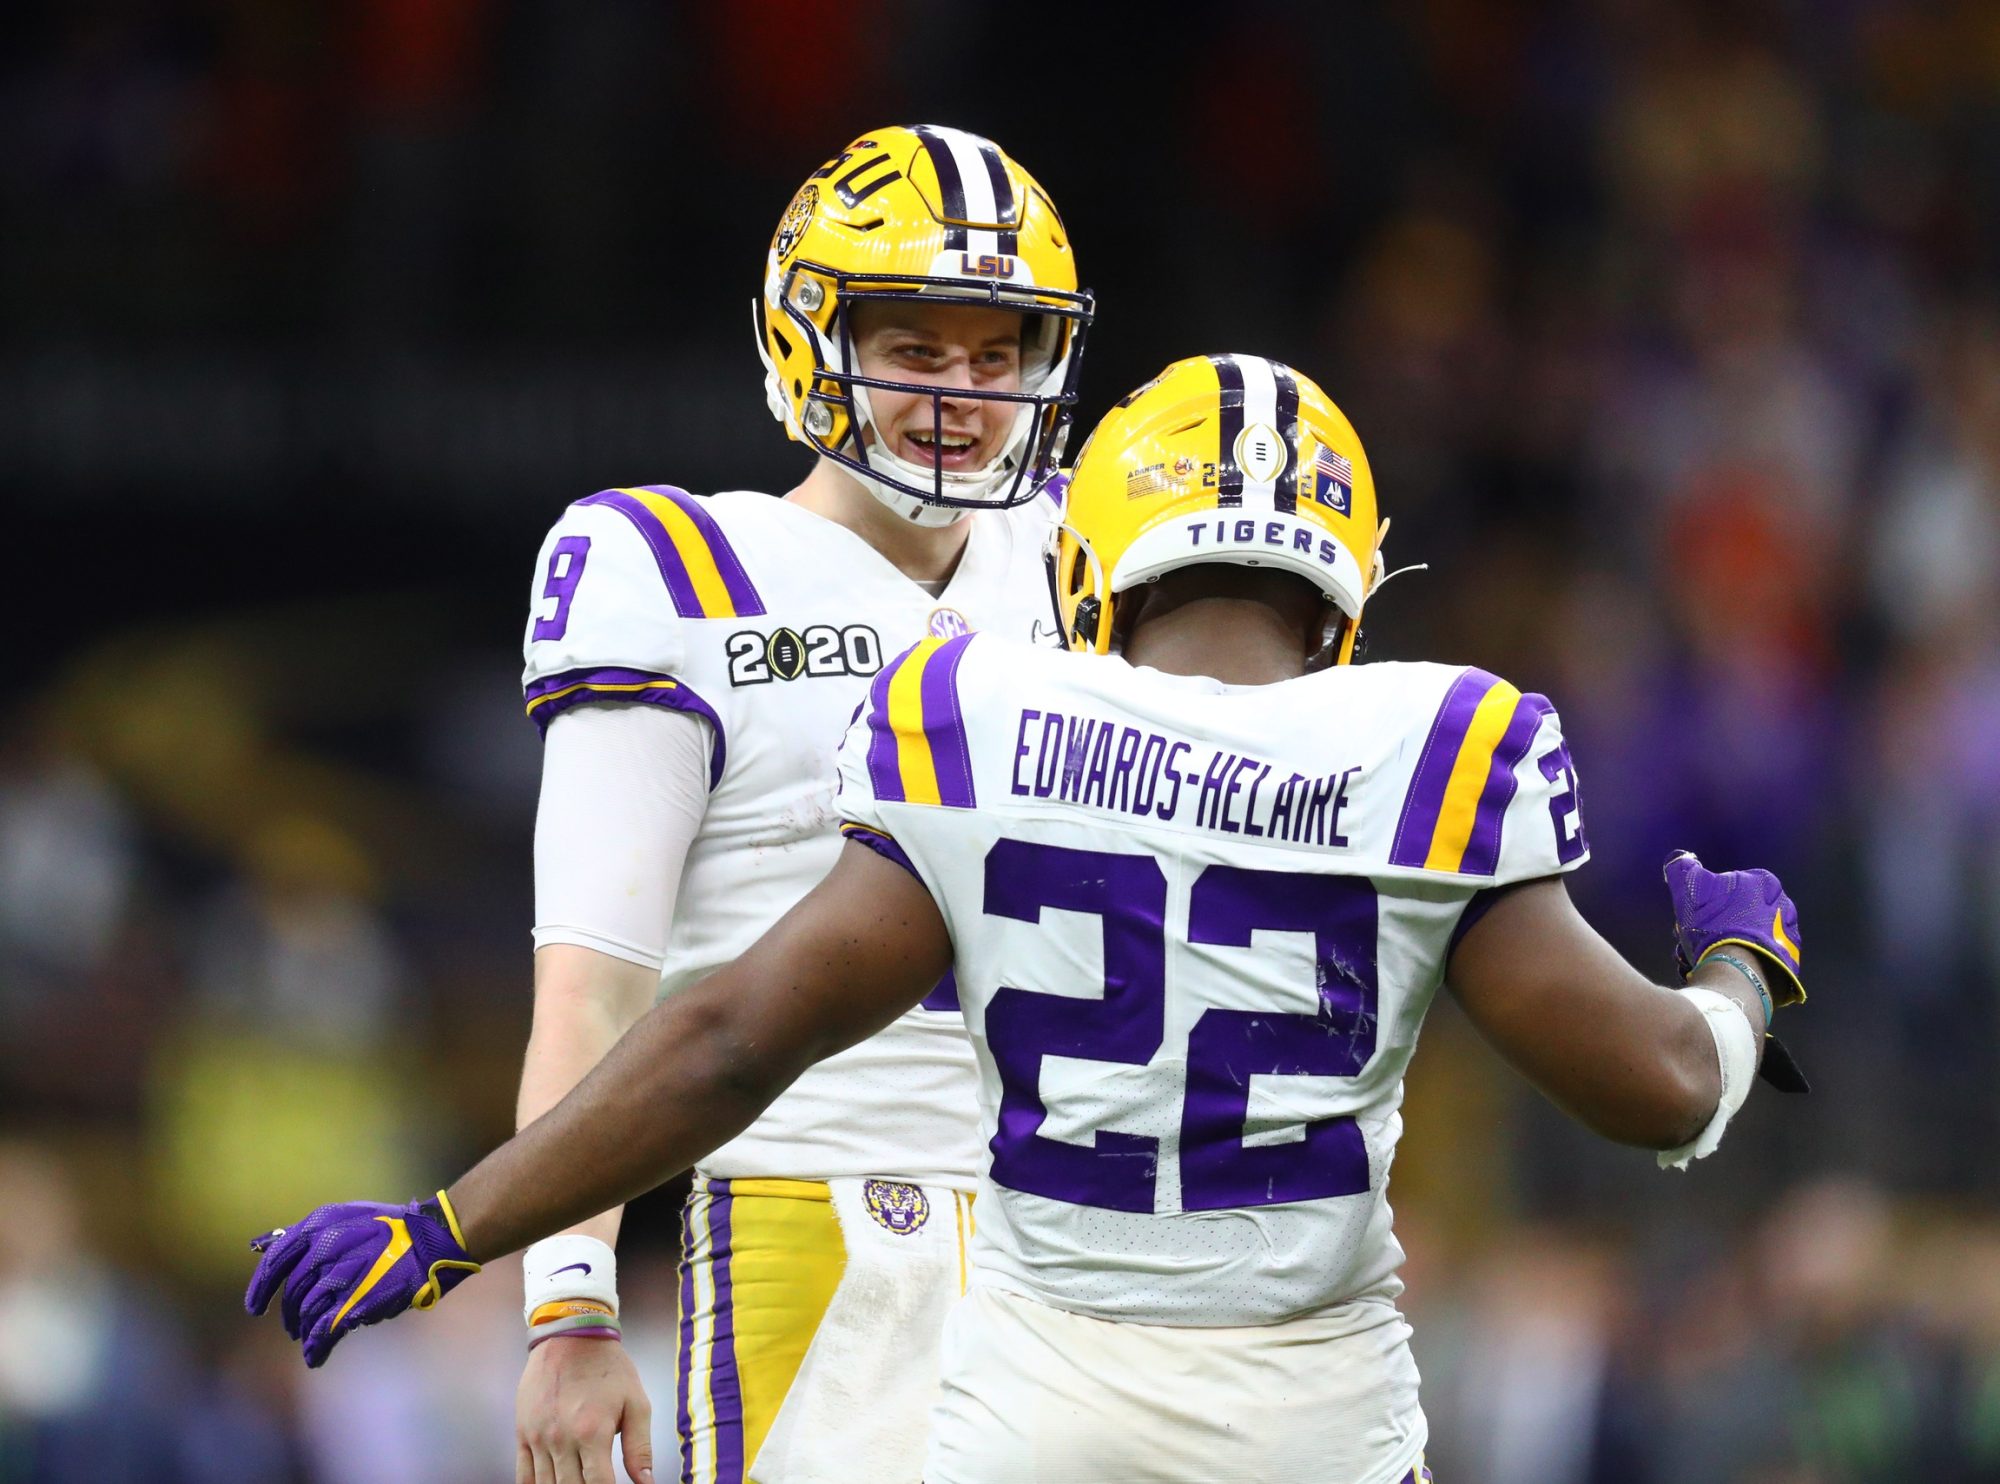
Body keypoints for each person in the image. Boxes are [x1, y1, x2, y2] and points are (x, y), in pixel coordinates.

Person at [248, 355, 1807, 1483]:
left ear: (1087, 559)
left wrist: (452, 1229)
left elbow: (723, 1045)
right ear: (1344, 592)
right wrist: (1743, 966)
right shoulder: (1435, 739)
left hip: (1035, 1407)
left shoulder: (984, 718)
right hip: (1311, 1417)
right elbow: (1663, 1087)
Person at [510, 125, 1090, 1484]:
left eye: (997, 353)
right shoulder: (678, 574)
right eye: (917, 349)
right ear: (810, 338)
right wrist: (570, 1301)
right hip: (823, 1221)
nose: (962, 392)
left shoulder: (1089, 563)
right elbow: (593, 989)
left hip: (1093, 1236)